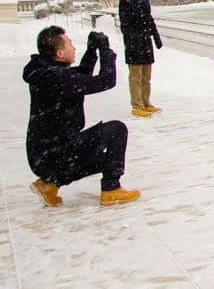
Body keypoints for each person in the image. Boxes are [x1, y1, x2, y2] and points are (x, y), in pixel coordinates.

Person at [24, 26, 140, 207]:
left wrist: (92, 50)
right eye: (70, 44)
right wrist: (105, 50)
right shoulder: (59, 78)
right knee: (117, 129)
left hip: (42, 155)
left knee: (106, 160)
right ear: (60, 53)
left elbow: (80, 77)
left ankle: (50, 185)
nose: (74, 47)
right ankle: (111, 189)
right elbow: (106, 81)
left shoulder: (46, 73)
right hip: (56, 152)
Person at [119, 0, 162, 118]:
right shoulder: (126, 2)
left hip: (145, 44)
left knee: (146, 76)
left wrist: (156, 37)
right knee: (136, 77)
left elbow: (149, 20)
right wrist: (133, 40)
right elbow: (125, 27)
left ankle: (146, 102)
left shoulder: (145, 1)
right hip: (134, 45)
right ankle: (137, 105)